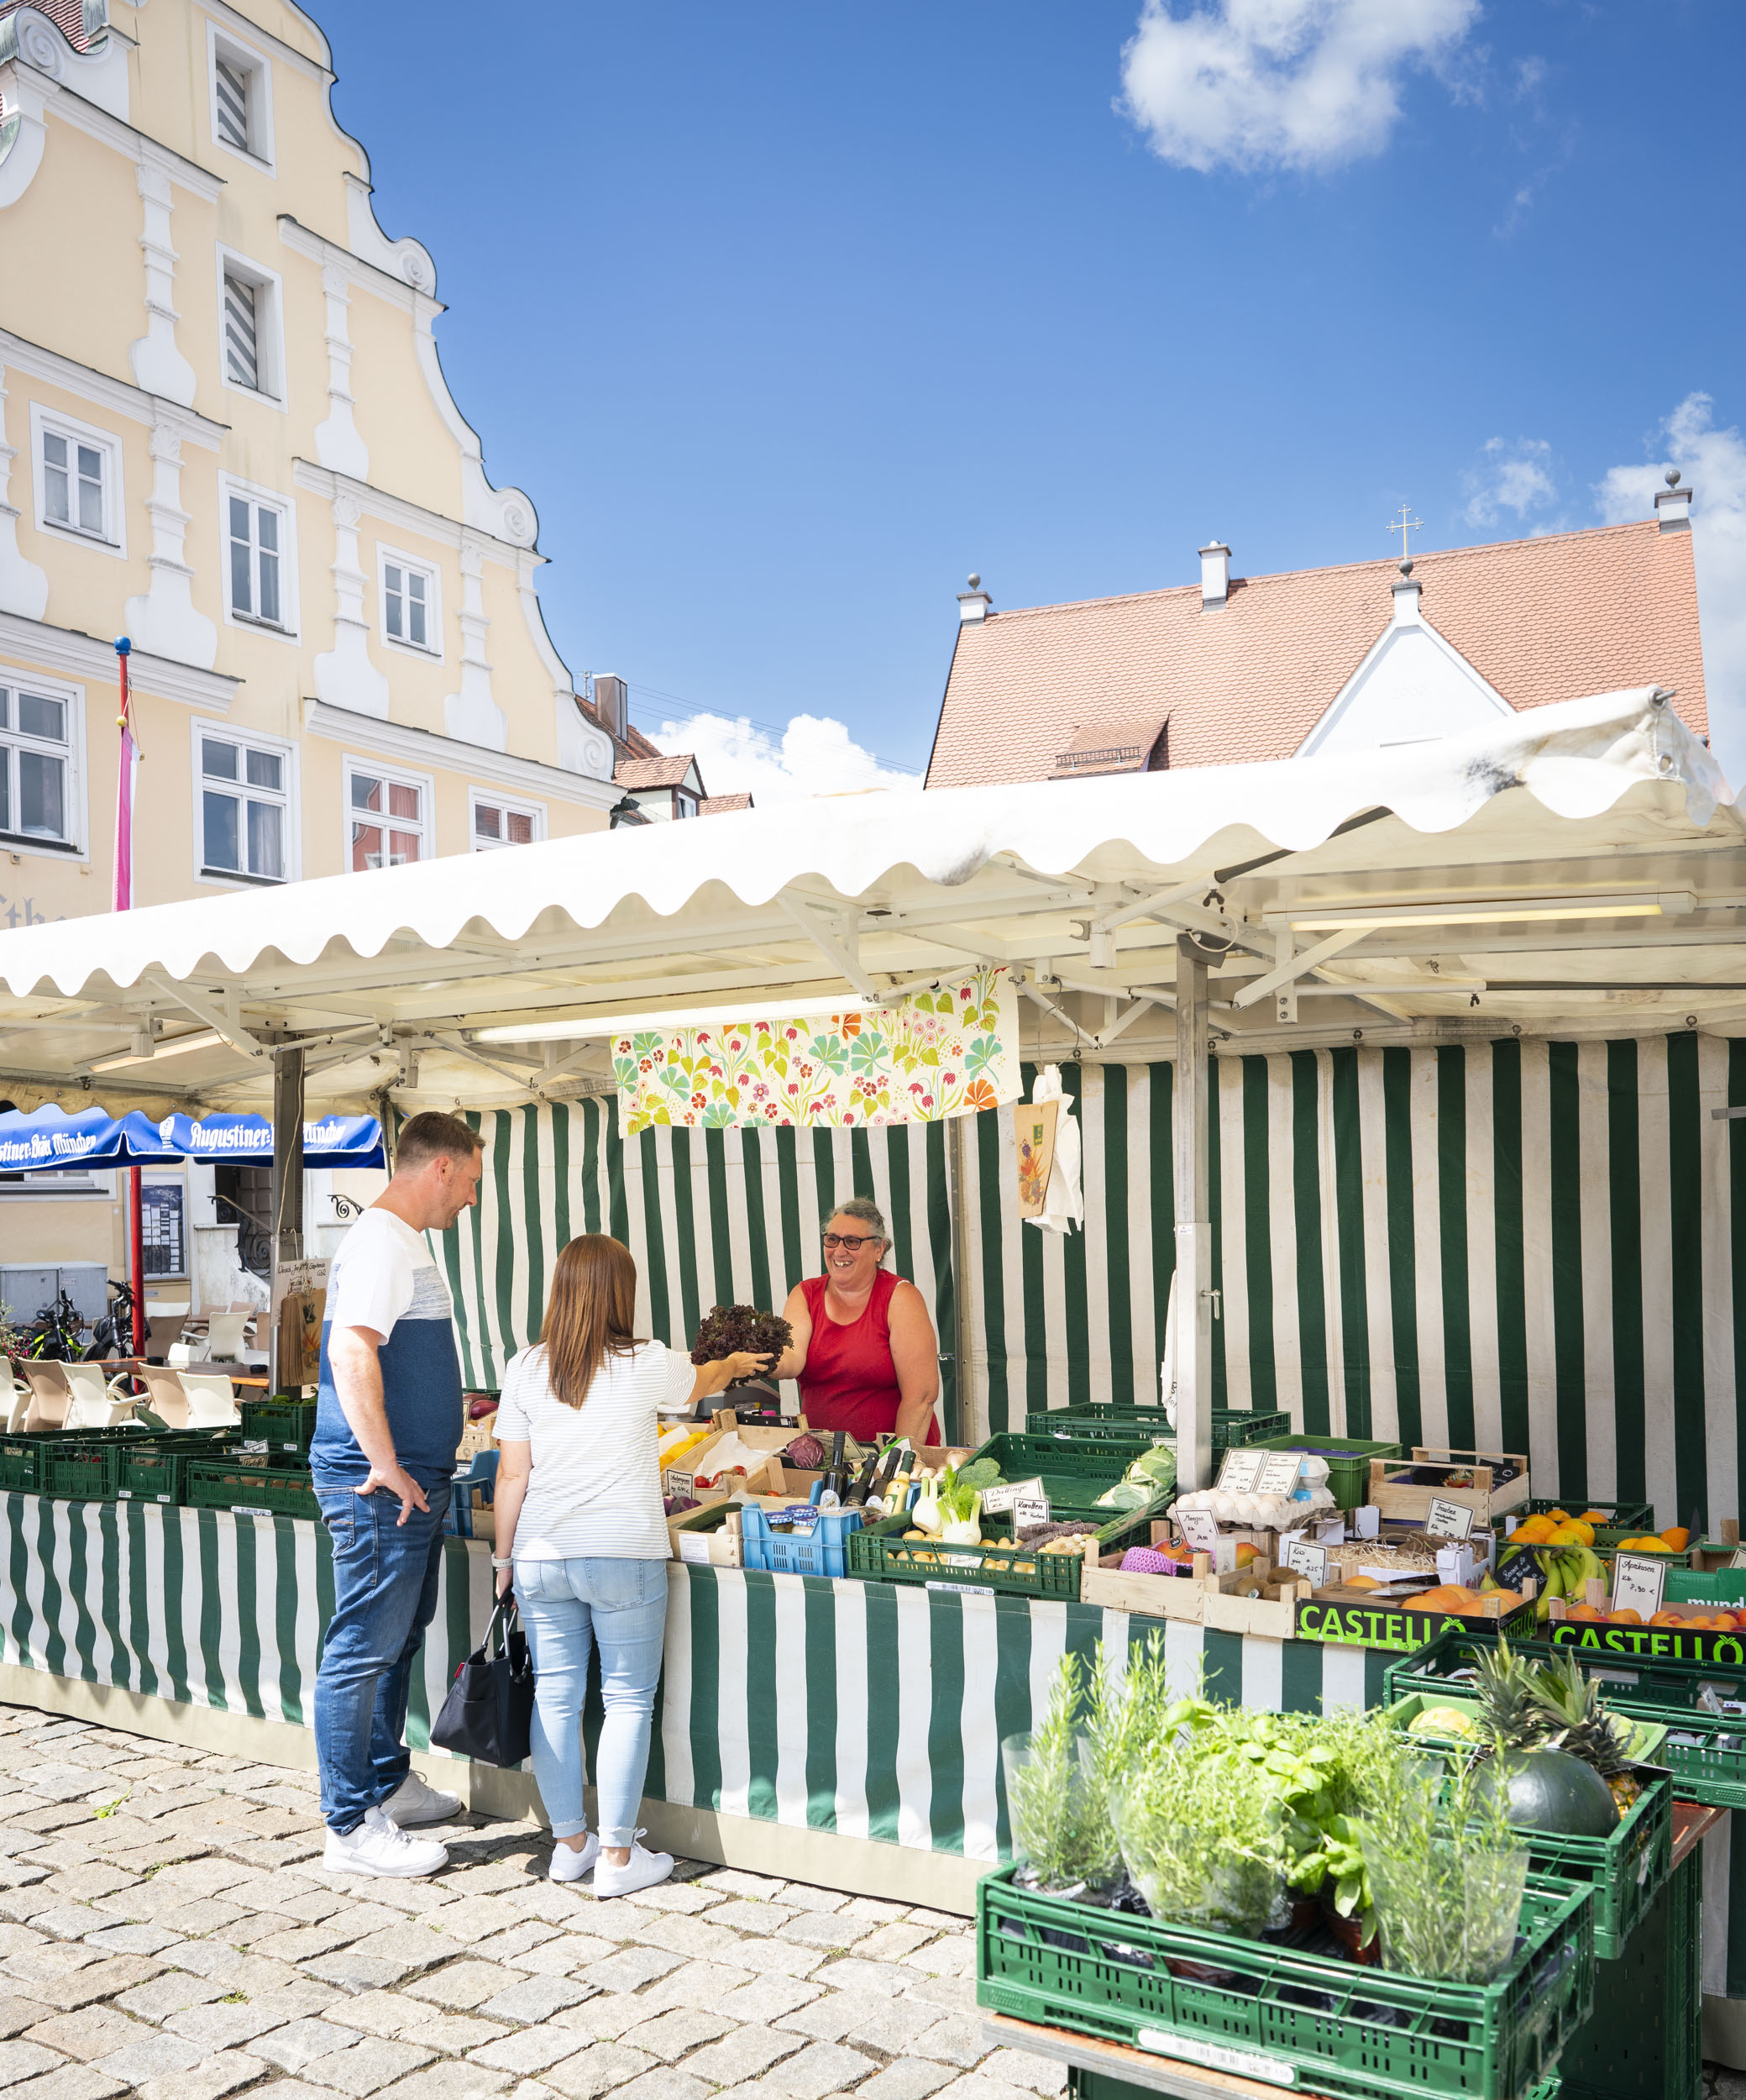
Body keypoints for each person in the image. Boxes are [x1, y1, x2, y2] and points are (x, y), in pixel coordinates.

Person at [491, 1234, 771, 1896]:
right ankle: (617, 1858)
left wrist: (503, 1559)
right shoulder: (647, 1361)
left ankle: (568, 1846)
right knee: (625, 1702)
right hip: (624, 1552)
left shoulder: (526, 1367)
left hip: (540, 1554)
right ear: (623, 1293)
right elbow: (700, 1382)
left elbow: (510, 1474)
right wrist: (730, 1362)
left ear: (559, 1289)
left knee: (555, 1698)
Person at [311, 1110, 484, 1878]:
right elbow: (352, 1350)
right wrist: (384, 1461)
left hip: (408, 1480)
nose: (472, 1200)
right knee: (361, 1650)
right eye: (472, 1182)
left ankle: (385, 1784)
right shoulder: (382, 1240)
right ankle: (349, 1822)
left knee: (397, 1640)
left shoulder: (400, 1241)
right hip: (381, 1484)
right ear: (440, 1168)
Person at [772, 1197, 941, 1446]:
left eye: (852, 1242)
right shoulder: (805, 1294)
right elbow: (790, 1360)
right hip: (826, 1458)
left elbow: (921, 1397)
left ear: (878, 1249)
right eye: (832, 1239)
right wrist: (750, 1360)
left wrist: (894, 1464)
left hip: (889, 1460)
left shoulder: (900, 1297)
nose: (839, 1251)